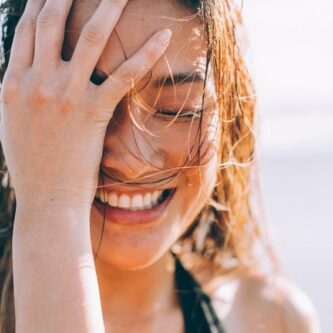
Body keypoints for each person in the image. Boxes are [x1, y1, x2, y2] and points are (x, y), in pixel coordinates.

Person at [0, 0, 321, 332]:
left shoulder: (270, 319)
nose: (133, 162)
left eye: (176, 109)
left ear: (229, 113)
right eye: (85, 104)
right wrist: (50, 205)